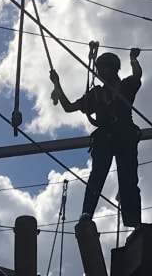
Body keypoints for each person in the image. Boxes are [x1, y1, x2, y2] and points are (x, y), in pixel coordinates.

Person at [53, 49, 143, 227]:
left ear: (113, 69)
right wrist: (57, 84)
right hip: (105, 137)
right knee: (97, 176)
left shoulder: (125, 86)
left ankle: (133, 221)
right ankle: (87, 214)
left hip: (124, 134)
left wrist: (133, 59)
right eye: (99, 68)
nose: (100, 72)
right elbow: (69, 107)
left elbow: (137, 75)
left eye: (103, 68)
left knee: (128, 179)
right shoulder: (96, 94)